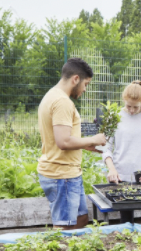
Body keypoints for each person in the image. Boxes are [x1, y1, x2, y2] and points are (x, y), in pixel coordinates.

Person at [37, 58, 107, 230]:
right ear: (76, 79)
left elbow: (61, 138)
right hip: (62, 175)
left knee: (81, 219)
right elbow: (63, 141)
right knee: (64, 227)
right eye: (86, 84)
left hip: (68, 174)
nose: (84, 89)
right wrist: (93, 139)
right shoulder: (62, 102)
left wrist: (84, 145)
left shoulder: (52, 96)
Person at [103, 81, 141, 224]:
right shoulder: (114, 116)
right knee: (126, 221)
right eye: (128, 106)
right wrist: (111, 169)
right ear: (124, 100)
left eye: (135, 107)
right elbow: (105, 147)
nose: (131, 110)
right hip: (121, 177)